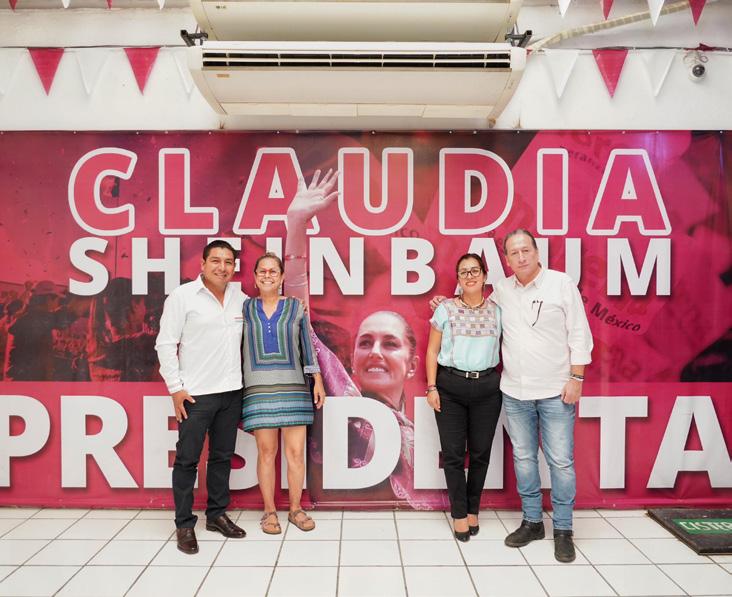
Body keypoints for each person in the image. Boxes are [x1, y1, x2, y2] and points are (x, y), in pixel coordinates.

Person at [285, 170, 446, 508]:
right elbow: (298, 315)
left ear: (412, 364)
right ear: (352, 360)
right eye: (365, 342)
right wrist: (296, 227)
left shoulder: (420, 437)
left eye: (390, 343)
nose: (375, 351)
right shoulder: (337, 390)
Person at [494, 229, 593, 563]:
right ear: (507, 259)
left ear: (537, 252)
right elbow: (474, 306)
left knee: (561, 462)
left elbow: (579, 333)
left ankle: (563, 530)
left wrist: (576, 377)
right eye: (514, 253)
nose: (521, 257)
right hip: (515, 391)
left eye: (526, 250)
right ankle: (532, 522)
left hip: (556, 391)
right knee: (524, 459)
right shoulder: (502, 290)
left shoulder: (560, 284)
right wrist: (443, 304)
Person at [155, 240, 248, 555]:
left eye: (228, 262)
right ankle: (184, 524)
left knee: (222, 457)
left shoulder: (240, 299)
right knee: (187, 460)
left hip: (231, 392)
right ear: (203, 264)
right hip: (195, 396)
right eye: (216, 261)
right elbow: (165, 344)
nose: (222, 267)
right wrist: (175, 388)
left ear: (234, 267)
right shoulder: (182, 297)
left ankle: (216, 515)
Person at [241, 253, 326, 535]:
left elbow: (307, 346)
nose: (267, 275)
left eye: (273, 271)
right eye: (262, 271)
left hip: (294, 388)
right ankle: (269, 512)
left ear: (282, 277)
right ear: (255, 277)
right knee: (266, 453)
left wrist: (317, 379)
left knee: (296, 453)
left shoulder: (295, 308)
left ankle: (295, 509)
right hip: (258, 390)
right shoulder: (244, 308)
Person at [425, 253, 502, 541]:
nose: (470, 276)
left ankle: (473, 510)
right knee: (454, 454)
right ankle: (459, 513)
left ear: (484, 275)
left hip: (487, 389)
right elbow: (432, 351)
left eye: (474, 271)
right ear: (458, 279)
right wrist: (431, 387)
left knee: (481, 453)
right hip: (450, 387)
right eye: (463, 272)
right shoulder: (445, 309)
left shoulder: (498, 311)